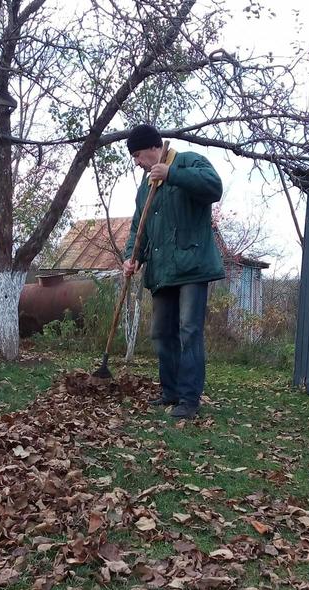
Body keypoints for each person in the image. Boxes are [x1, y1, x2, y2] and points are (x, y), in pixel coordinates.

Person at [122, 123, 224, 419]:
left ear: (155, 148)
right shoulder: (146, 185)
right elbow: (137, 228)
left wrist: (173, 175)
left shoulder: (188, 161)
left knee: (189, 331)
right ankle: (171, 392)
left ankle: (189, 400)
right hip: (161, 270)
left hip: (192, 265)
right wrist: (132, 257)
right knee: (161, 333)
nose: (138, 162)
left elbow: (213, 187)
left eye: (139, 155)